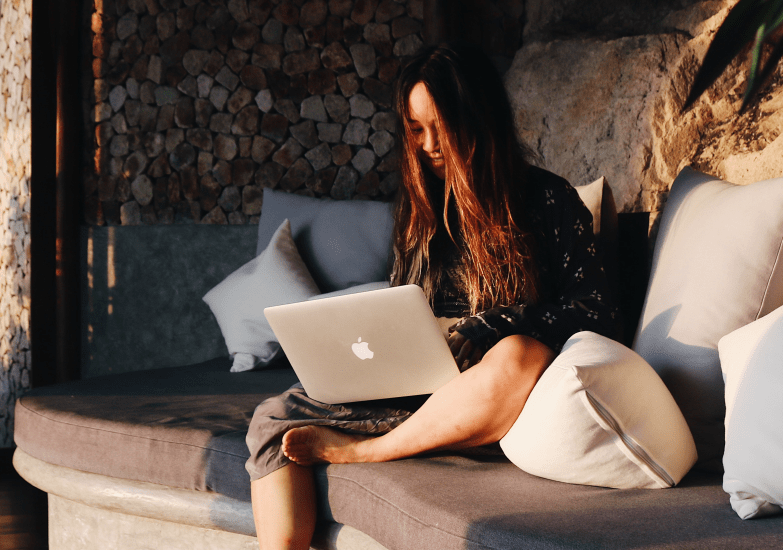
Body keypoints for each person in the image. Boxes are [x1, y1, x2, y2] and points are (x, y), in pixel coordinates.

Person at [245, 42, 620, 550]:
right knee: (273, 416)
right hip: (424, 389)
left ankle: (364, 451)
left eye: (439, 127)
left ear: (476, 118)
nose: (427, 145)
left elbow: (597, 310)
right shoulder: (419, 211)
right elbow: (407, 307)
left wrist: (493, 324)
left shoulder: (548, 200)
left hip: (494, 393)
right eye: (416, 130)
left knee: (517, 354)